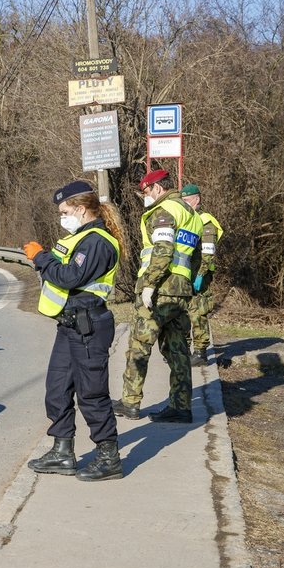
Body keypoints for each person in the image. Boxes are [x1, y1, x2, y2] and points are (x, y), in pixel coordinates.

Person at [22, 180, 125, 481]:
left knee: (92, 393)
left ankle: (109, 456)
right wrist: (44, 259)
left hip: (89, 325)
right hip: (69, 325)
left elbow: (69, 277)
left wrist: (40, 257)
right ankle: (62, 451)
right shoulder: (82, 238)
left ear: (81, 209)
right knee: (57, 389)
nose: (61, 217)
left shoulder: (98, 242)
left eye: (64, 211)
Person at [113, 170, 203, 424]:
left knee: (139, 345)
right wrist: (187, 284)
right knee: (178, 350)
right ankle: (181, 406)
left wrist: (149, 284)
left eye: (146, 191)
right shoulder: (193, 216)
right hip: (181, 292)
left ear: (158, 188)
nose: (145, 197)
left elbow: (162, 251)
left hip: (159, 291)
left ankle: (130, 402)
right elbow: (195, 258)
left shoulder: (164, 212)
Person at [181, 183, 224, 366]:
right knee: (183, 312)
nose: (183, 204)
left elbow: (208, 252)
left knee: (198, 313)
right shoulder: (188, 218)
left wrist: (201, 274)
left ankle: (200, 353)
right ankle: (184, 349)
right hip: (185, 273)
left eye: (186, 200)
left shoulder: (206, 221)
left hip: (200, 275)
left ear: (196, 200)